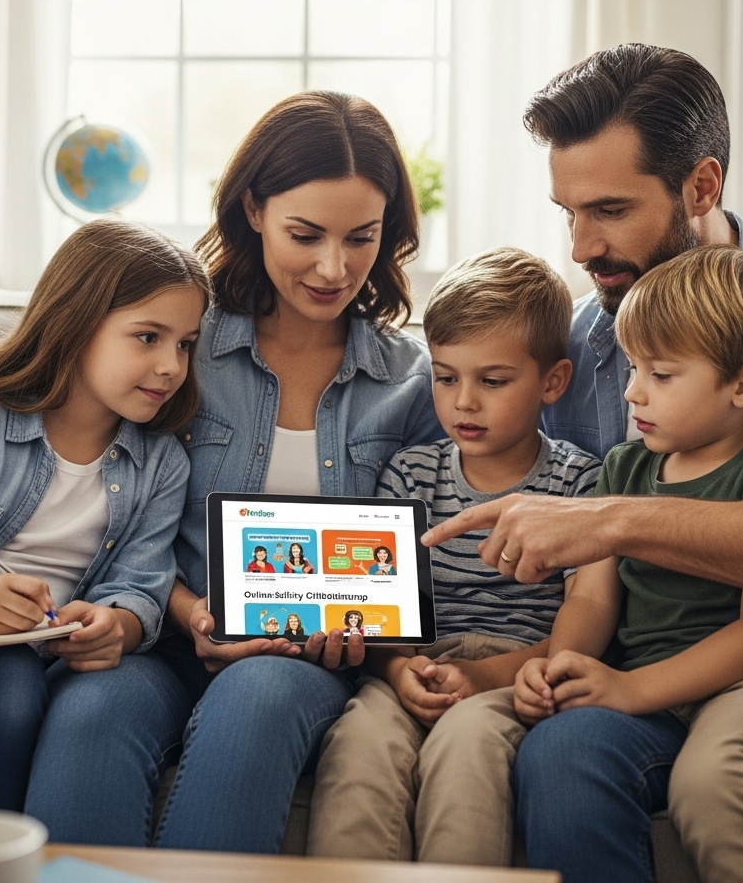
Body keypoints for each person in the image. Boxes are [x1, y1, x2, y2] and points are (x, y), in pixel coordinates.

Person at [422, 45, 743, 883]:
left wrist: (613, 519)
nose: (584, 246)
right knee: (567, 750)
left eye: (611, 209)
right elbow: (441, 401)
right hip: (656, 656)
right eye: (569, 213)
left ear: (701, 187)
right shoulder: (585, 340)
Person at [28, 91, 444, 851]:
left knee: (258, 694)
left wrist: (375, 639)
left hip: (302, 663)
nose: (334, 267)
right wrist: (194, 614)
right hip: (164, 635)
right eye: (305, 234)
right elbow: (109, 506)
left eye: (362, 238)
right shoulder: (180, 345)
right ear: (253, 209)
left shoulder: (411, 379)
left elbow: (417, 556)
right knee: (92, 710)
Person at [515, 245, 743, 883]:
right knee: (559, 754)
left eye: (661, 375)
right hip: (653, 692)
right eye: (634, 367)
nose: (633, 391)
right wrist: (561, 667)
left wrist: (631, 688)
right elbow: (591, 599)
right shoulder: (624, 470)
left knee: (710, 784)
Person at [308, 247, 600, 866]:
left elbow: (588, 617)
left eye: (492, 381)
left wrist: (488, 678)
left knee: (466, 747)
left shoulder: (579, 486)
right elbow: (377, 605)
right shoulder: (411, 474)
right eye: (446, 377)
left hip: (516, 670)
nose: (464, 401)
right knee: (359, 745)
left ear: (553, 381)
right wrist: (393, 669)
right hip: (412, 662)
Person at [0, 220, 207, 813]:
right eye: (148, 337)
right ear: (75, 325)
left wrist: (112, 626)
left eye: (186, 343)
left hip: (39, 658)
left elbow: (139, 586)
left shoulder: (162, 464)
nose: (173, 365)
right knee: (9, 688)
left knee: (33, 685)